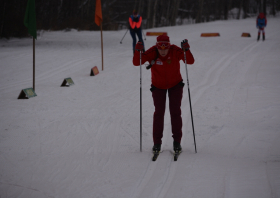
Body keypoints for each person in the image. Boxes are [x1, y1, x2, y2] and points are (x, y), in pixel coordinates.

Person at [132, 35, 195, 153]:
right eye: (160, 49)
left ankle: (177, 142)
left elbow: (190, 61)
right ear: (157, 47)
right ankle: (157, 143)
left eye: (165, 48)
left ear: (169, 46)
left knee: (175, 112)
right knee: (159, 113)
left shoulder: (175, 50)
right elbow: (137, 62)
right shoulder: (152, 51)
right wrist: (137, 50)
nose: (163, 51)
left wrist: (186, 50)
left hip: (175, 85)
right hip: (158, 86)